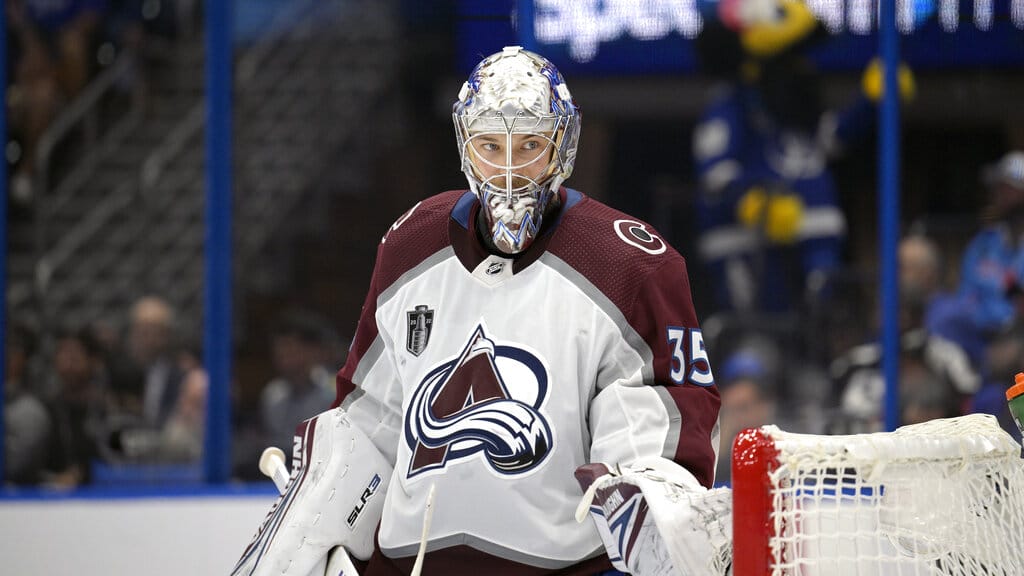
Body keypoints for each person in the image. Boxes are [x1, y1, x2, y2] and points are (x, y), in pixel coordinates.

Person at [232, 46, 722, 576]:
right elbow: (371, 418)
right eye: (491, 145)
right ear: (466, 146)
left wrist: (653, 509)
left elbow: (653, 428)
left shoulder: (629, 264)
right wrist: (319, 517)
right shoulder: (410, 244)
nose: (509, 171)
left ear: (564, 145)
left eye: (531, 144)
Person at [691, 0, 913, 314]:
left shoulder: (795, 109)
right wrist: (751, 203)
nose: (801, 68)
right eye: (790, 58)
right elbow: (715, 173)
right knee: (757, 333)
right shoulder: (730, 107)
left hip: (813, 235)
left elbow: (828, 141)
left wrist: (870, 103)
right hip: (748, 247)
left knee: (819, 317)